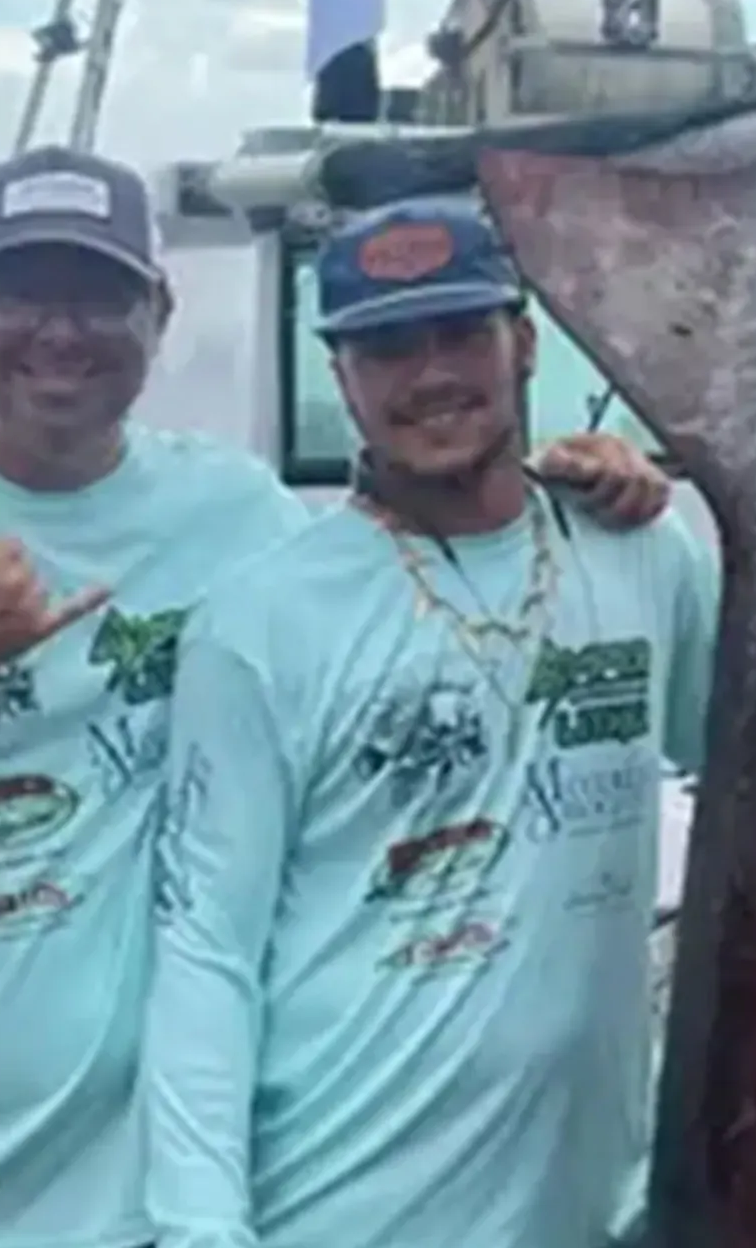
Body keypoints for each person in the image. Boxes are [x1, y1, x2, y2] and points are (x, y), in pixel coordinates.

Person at [0, 147, 675, 1248]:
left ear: (159, 313)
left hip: (135, 1209)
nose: (62, 330)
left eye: (101, 293)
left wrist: (586, 488)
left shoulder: (240, 516)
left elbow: (435, 612)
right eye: (23, 290)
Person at [142, 196, 720, 1248]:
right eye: (387, 348)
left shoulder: (650, 552)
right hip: (345, 1205)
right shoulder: (259, 620)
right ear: (343, 376)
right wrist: (199, 1227)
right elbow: (204, 950)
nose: (431, 375)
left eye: (461, 332)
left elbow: (753, 785)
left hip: (599, 1214)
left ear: (526, 341)